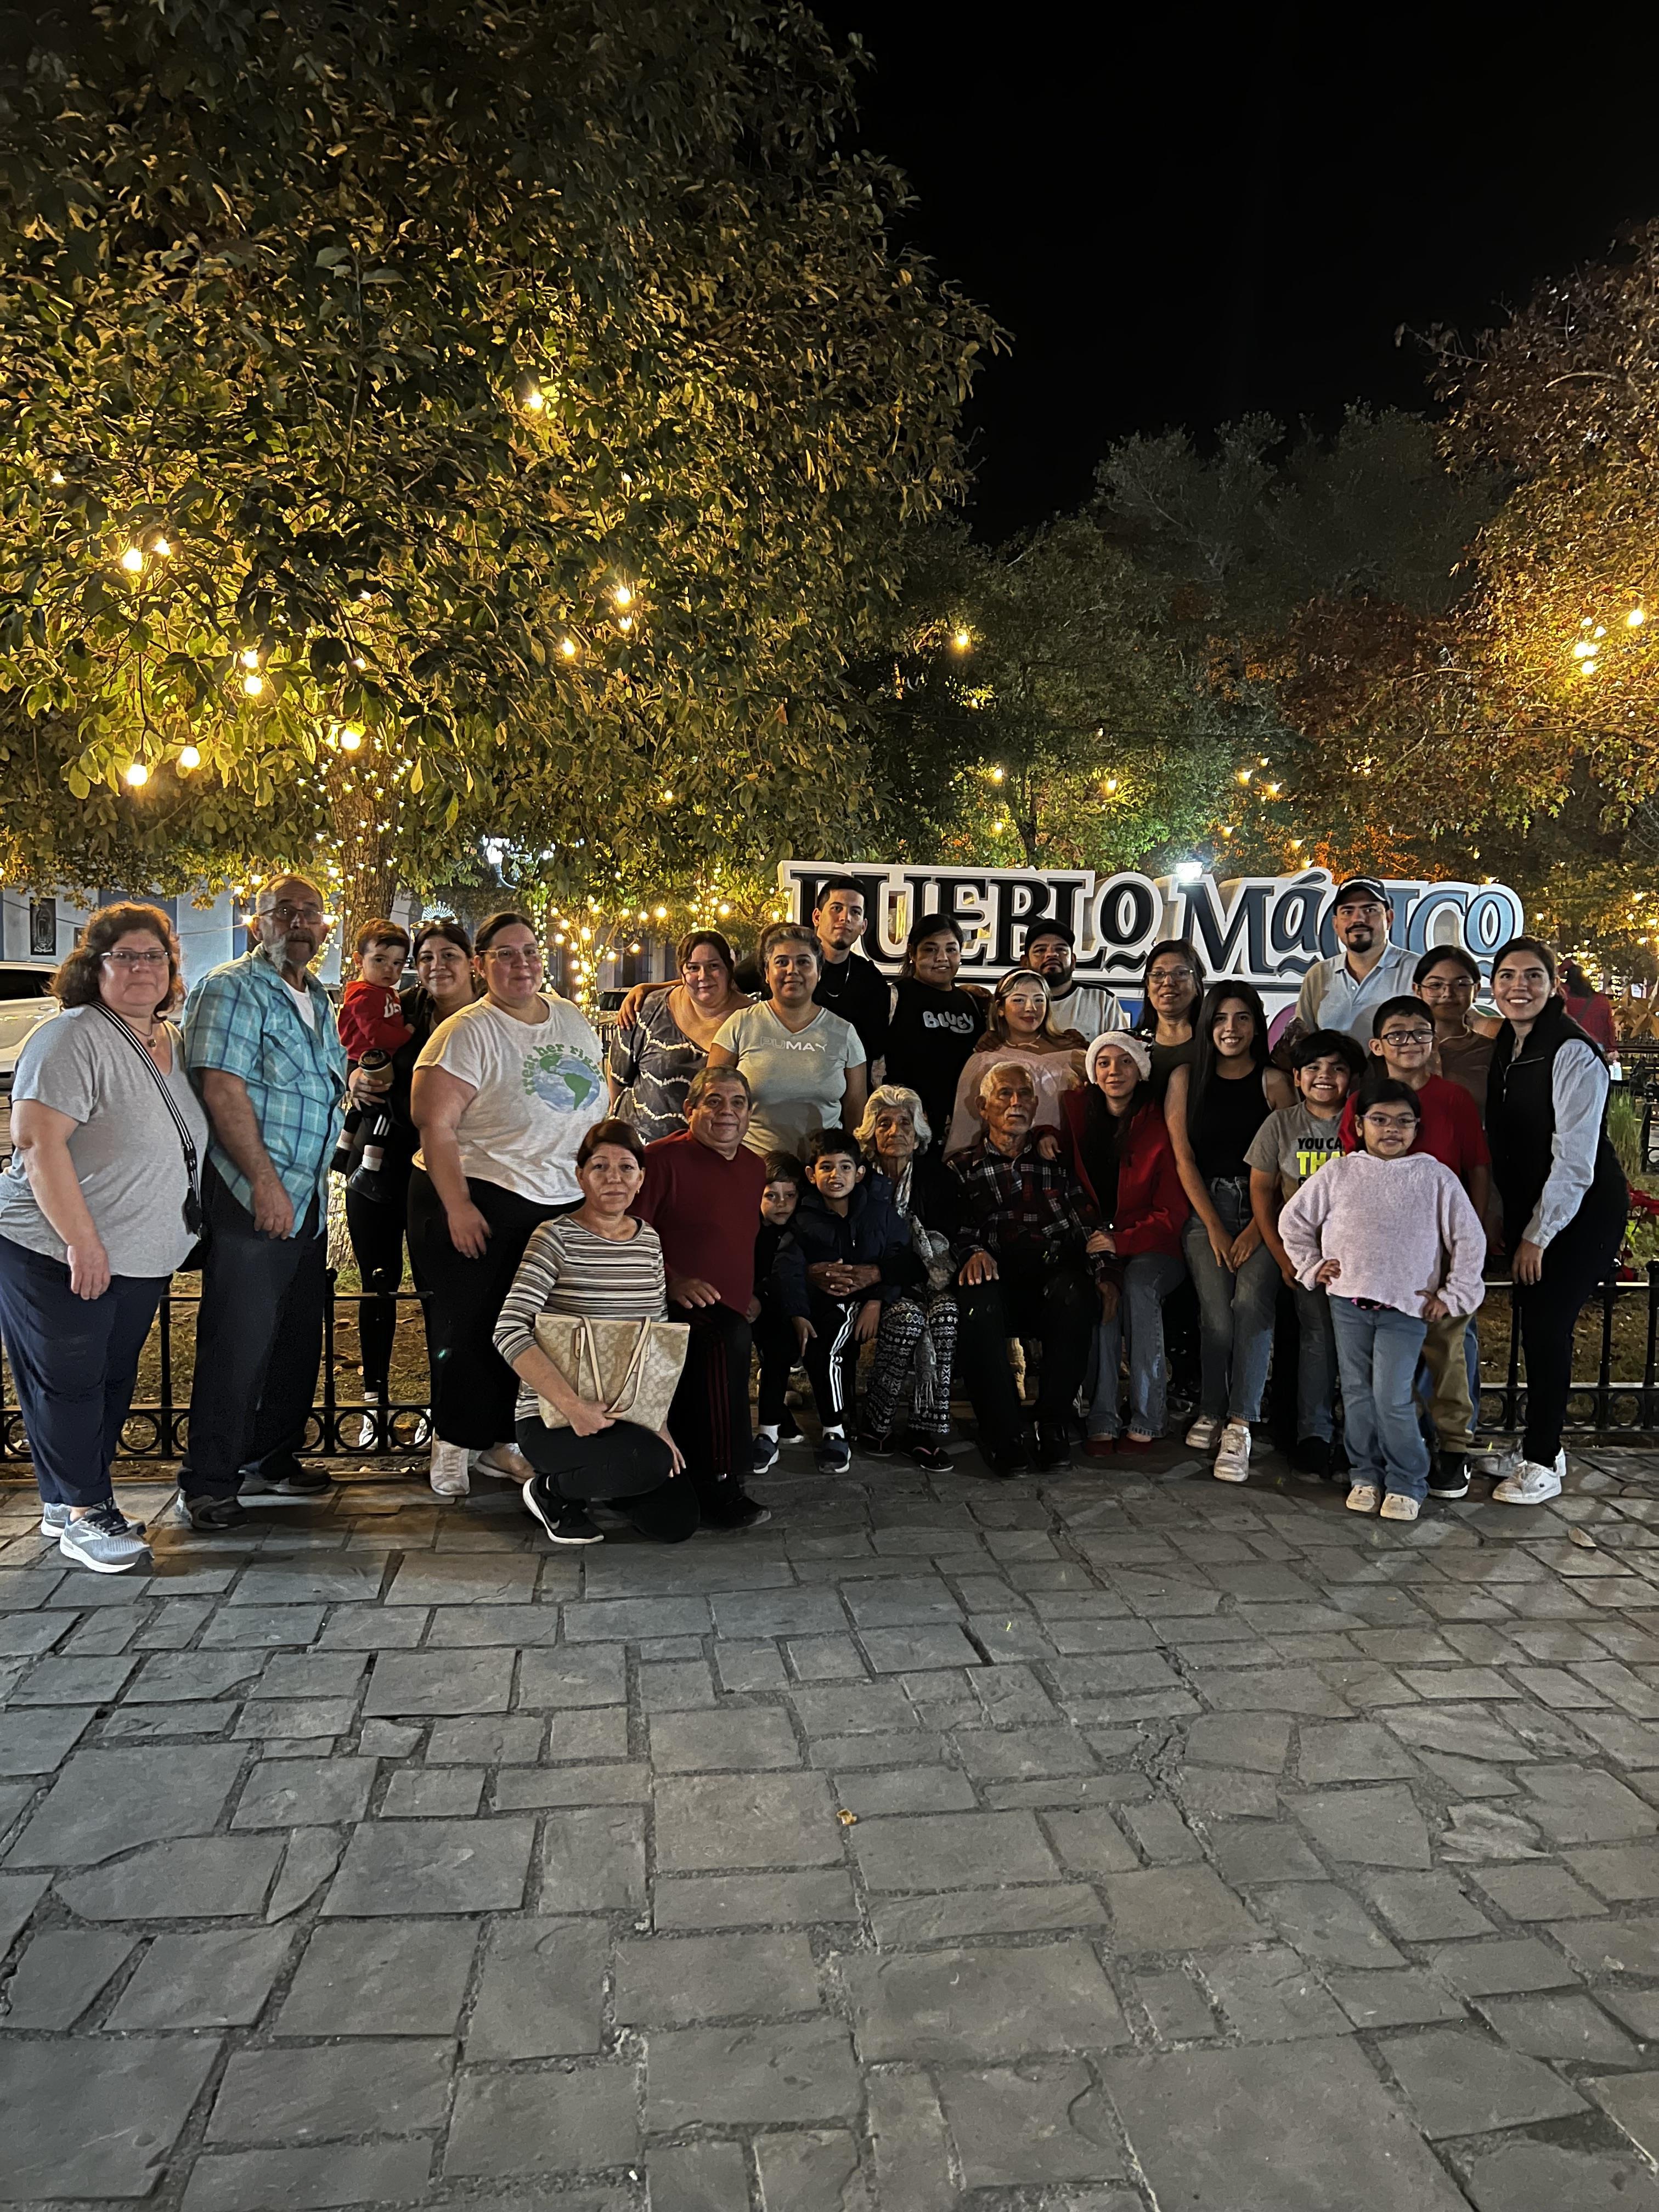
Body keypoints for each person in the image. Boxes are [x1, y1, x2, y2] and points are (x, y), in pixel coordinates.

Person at [0, 903, 208, 1572]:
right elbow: (37, 1143)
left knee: (109, 1378)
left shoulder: (169, 1040)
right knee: (71, 1378)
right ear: (94, 968)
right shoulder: (71, 1038)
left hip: (138, 1253)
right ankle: (90, 1512)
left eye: (155, 957)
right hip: (55, 1247)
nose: (142, 969)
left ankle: (66, 1502)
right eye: (125, 957)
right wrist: (81, 1242)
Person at [409, 912, 606, 1500]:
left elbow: (598, 1090)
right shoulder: (468, 1031)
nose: (521, 964)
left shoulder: (569, 1017)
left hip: (556, 1199)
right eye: (505, 954)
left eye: (529, 952)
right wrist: (458, 1206)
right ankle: (452, 1441)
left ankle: (502, 1441)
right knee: (469, 1327)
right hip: (481, 1195)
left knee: (525, 1332)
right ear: (480, 964)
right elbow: (434, 1123)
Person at [177, 875, 349, 1528]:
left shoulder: (319, 997)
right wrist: (266, 1184)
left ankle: (270, 1458)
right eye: (285, 912)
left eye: (311, 913)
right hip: (252, 1192)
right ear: (259, 924)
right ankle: (209, 1482)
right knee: (238, 1341)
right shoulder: (230, 987)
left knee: (294, 1337)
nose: (299, 923)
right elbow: (221, 1088)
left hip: (305, 1195)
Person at [1280, 1080, 1487, 1525]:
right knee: (1356, 1393)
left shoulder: (1434, 1176)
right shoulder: (1339, 1173)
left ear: (1417, 1127)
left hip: (1406, 1308)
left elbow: (1469, 1238)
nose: (1391, 1129)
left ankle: (1407, 1478)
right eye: (1379, 1120)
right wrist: (1312, 1266)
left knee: (1391, 1396)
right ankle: (1364, 1473)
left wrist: (1452, 1295)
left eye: (1403, 1121)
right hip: (1349, 1304)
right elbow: (1294, 1219)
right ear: (1359, 1125)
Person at [496, 1120, 696, 1548]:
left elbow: (655, 1340)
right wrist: (573, 1407)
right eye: (601, 1166)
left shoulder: (648, 1242)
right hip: (555, 1418)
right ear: (581, 1175)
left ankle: (605, 1481)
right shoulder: (555, 1238)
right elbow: (508, 1328)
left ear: (641, 1180)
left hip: (626, 1411)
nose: (614, 1178)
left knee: (675, 1522)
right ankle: (549, 1492)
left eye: (627, 1168)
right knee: (649, 1464)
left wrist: (658, 1422)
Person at [1485, 936, 1628, 1505]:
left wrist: (1538, 1235)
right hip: (1535, 1206)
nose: (1518, 986)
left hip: (1582, 1209)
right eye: (1507, 976)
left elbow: (1576, 1159)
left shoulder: (1572, 1052)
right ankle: (1539, 1442)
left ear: (1553, 986)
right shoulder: (1511, 1043)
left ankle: (1543, 1461)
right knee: (1534, 1323)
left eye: (1532, 976)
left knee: (1548, 1329)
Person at [1340, 995, 1492, 1501]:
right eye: (1398, 1033)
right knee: (1386, 1366)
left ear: (1434, 1039)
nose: (1410, 1042)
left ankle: (1452, 1448)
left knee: (1447, 1352)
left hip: (1437, 1257)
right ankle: (1397, 1451)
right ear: (1379, 1044)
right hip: (1379, 1263)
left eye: (1420, 1032)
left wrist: (1463, 1251)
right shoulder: (1361, 1101)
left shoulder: (1453, 1100)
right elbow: (1347, 1179)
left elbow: (1476, 1170)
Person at [339, 918, 479, 1447]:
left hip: (455, 1169)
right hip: (382, 1157)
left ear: (472, 962)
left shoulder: (492, 1015)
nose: (434, 966)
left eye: (448, 955)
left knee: (440, 1293)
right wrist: (354, 1076)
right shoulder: (397, 1008)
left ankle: (442, 1410)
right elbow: (351, 1050)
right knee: (378, 1285)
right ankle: (374, 1402)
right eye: (425, 958)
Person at [950, 1061, 1110, 1474]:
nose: (1016, 1103)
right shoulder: (961, 1168)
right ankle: (1002, 1432)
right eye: (1005, 1094)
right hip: (994, 1269)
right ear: (983, 1107)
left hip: (1050, 1270)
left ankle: (1052, 1421)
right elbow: (949, 1228)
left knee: (1077, 1295)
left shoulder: (1057, 1164)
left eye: (1024, 1095)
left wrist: (1105, 1269)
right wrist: (972, 1251)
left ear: (1037, 1106)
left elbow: (1087, 1223)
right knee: (977, 1304)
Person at [1166, 981, 1293, 1483]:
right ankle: (1212, 1409)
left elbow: (1288, 1169)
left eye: (1242, 1018)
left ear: (1257, 1025)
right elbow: (1184, 1158)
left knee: (1250, 1307)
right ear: (1207, 1025)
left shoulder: (1275, 1082)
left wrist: (1259, 1232)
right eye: (1220, 1018)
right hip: (1207, 1209)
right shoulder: (1185, 1077)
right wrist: (1216, 1227)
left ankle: (1241, 1421)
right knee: (1216, 1317)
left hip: (1268, 1209)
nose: (1231, 1029)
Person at [634, 1066, 772, 1528]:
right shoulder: (661, 1161)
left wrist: (751, 1292)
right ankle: (721, 1480)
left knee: (741, 1333)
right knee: (724, 1339)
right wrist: (671, 1280)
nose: (726, 1112)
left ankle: (719, 1464)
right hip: (666, 1301)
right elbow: (630, 1235)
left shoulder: (755, 1168)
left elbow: (738, 1238)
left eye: (737, 1103)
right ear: (690, 1109)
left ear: (750, 1113)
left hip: (729, 1304)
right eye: (713, 1101)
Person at [1059, 1034, 1188, 1454]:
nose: (1114, 1072)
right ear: (1093, 1073)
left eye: (1124, 1063)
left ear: (1140, 1070)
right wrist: (1045, 1133)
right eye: (1104, 1063)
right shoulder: (1078, 1111)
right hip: (1100, 1245)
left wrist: (1121, 1240)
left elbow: (1172, 1213)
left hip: (1154, 1245)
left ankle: (1149, 1416)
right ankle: (1101, 1415)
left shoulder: (1159, 1122)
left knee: (1137, 1287)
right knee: (1104, 1292)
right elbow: (1052, 1134)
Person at [1247, 1028, 1368, 1475]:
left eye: (1337, 1068)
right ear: (1296, 1077)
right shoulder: (1281, 1124)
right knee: (1317, 1341)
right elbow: (1261, 1193)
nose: (1325, 1077)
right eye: (1314, 1068)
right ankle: (1313, 1433)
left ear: (1353, 1077)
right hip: (1307, 1259)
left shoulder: (1365, 1121)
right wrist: (1287, 1260)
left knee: (1359, 1346)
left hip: (1360, 1256)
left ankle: (1359, 1436)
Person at [773, 1127, 922, 1473]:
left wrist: (876, 1301)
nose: (835, 1176)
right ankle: (834, 1428)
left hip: (867, 1304)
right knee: (819, 1346)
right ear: (812, 1174)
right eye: (826, 1167)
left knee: (828, 1349)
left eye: (844, 1167)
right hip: (823, 1305)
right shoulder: (804, 1217)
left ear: (859, 1173)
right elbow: (789, 1267)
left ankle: (838, 1427)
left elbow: (901, 1259)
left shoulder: (879, 1213)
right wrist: (797, 1312)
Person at [854, 1084, 961, 1470]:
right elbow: (861, 1251)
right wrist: (881, 1285)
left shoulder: (938, 1180)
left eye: (904, 1123)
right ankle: (878, 1422)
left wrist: (886, 1271)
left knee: (946, 1313)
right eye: (884, 1123)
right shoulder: (860, 1181)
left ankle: (923, 1429)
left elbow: (944, 1251)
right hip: (875, 1288)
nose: (895, 1131)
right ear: (871, 1133)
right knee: (907, 1317)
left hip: (930, 1280)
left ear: (918, 1135)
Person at [707, 924, 867, 1159]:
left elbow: (856, 1115)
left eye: (804, 962)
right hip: (752, 1172)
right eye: (782, 962)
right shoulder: (740, 1024)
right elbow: (710, 1101)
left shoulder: (844, 1034)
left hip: (822, 1177)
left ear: (819, 972)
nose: (792, 971)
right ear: (767, 972)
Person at [608, 930, 751, 1141]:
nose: (704, 976)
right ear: (682, 973)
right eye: (693, 968)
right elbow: (618, 1078)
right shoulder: (649, 1007)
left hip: (712, 1156)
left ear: (729, 968)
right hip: (638, 1153)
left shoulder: (752, 1020)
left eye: (714, 966)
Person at [944, 970, 1084, 1154]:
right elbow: (966, 1130)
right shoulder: (984, 1060)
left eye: (1039, 1000)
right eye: (1019, 1000)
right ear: (1001, 1008)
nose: (1030, 1008)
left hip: (1064, 1161)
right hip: (1004, 1166)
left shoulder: (1073, 1052)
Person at [882, 913, 987, 1156]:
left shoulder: (973, 1003)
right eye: (930, 949)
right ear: (912, 952)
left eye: (952, 950)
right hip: (905, 1131)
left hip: (962, 1133)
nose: (942, 958)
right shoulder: (892, 998)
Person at [1291, 878, 1420, 1042]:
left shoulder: (1417, 971)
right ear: (1336, 924)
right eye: (1347, 912)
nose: (1358, 919)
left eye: (1370, 910)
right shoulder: (1318, 975)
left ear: (1389, 918)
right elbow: (1304, 1043)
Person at [752, 1152, 806, 1471]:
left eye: (790, 1196)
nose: (781, 1203)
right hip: (754, 1300)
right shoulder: (750, 1228)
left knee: (779, 1348)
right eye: (771, 1196)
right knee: (772, 1346)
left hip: (788, 1303)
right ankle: (775, 1427)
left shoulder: (801, 1229)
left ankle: (772, 1427)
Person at [803, 874, 890, 1066]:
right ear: (817, 916)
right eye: (837, 908)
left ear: (863, 926)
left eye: (856, 912)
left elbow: (874, 1049)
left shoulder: (871, 980)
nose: (845, 918)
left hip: (852, 1087)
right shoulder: (790, 966)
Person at [1414, 946, 1498, 1113]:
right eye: (1436, 985)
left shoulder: (1492, 1052)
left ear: (1476, 990)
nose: (1448, 993)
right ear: (1417, 990)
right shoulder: (1397, 1045)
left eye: (1461, 984)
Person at [1022, 920, 1128, 1045]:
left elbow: (1124, 1051)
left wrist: (1087, 1050)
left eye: (1061, 949)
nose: (1051, 954)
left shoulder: (1102, 1000)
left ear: (1073, 961)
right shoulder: (1009, 1003)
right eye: (1040, 950)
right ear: (1025, 963)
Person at [1132, 939, 1207, 1100]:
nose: (1168, 982)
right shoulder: (1132, 1044)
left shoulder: (1214, 1040)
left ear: (1197, 986)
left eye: (1180, 973)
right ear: (1148, 987)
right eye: (1158, 974)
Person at [1559, 957, 1619, 1056]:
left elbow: (1549, 978)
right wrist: (1611, 1048)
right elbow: (1608, 1027)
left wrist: (1564, 967)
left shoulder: (1562, 996)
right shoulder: (1601, 1000)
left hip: (1566, 1046)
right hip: (1593, 1047)